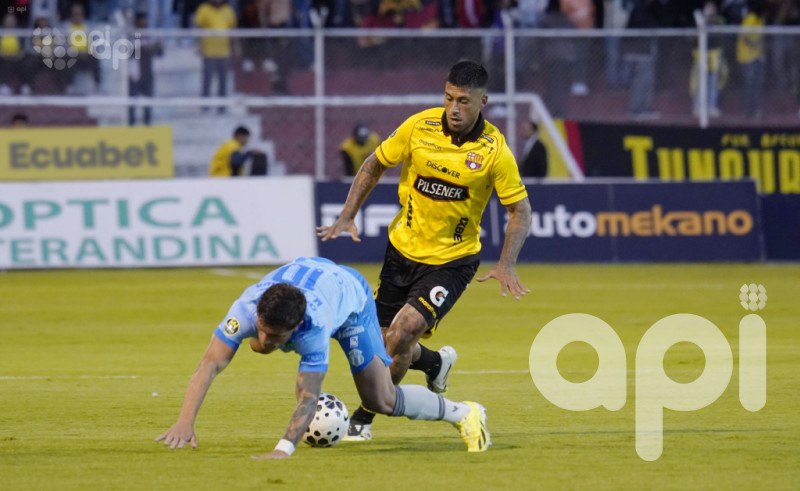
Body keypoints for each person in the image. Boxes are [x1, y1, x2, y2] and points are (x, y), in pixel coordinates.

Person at [316, 60, 532, 441]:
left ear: (483, 100)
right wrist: (347, 215)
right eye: (449, 98)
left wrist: (507, 264)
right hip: (401, 251)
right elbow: (374, 164)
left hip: (452, 261)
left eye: (463, 101)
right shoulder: (419, 126)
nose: (453, 108)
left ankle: (364, 419)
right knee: (386, 343)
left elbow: (519, 210)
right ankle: (435, 363)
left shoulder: (495, 151)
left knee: (401, 336)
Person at [156, 256, 491, 456]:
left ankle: (464, 412)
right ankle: (434, 364)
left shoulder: (315, 329)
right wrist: (184, 421)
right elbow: (209, 364)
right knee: (245, 344)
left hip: (349, 298)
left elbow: (307, 398)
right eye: (260, 328)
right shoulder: (244, 309)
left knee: (381, 398)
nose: (263, 339)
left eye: (275, 337)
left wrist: (283, 449)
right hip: (311, 274)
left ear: (297, 327)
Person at [195, 0, 237, 112]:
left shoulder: (228, 10)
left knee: (223, 80)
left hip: (224, 52)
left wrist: (234, 48)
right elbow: (198, 28)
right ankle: (205, 106)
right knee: (207, 80)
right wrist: (198, 45)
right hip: (209, 52)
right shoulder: (204, 9)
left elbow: (232, 30)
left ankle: (222, 106)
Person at [128, 13, 163, 126]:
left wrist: (155, 47)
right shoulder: (130, 38)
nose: (144, 26)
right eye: (141, 24)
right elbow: (130, 52)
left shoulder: (150, 38)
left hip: (147, 75)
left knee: (148, 106)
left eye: (145, 25)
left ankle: (147, 128)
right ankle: (131, 128)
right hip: (134, 76)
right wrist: (146, 49)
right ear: (136, 24)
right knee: (131, 106)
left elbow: (160, 52)